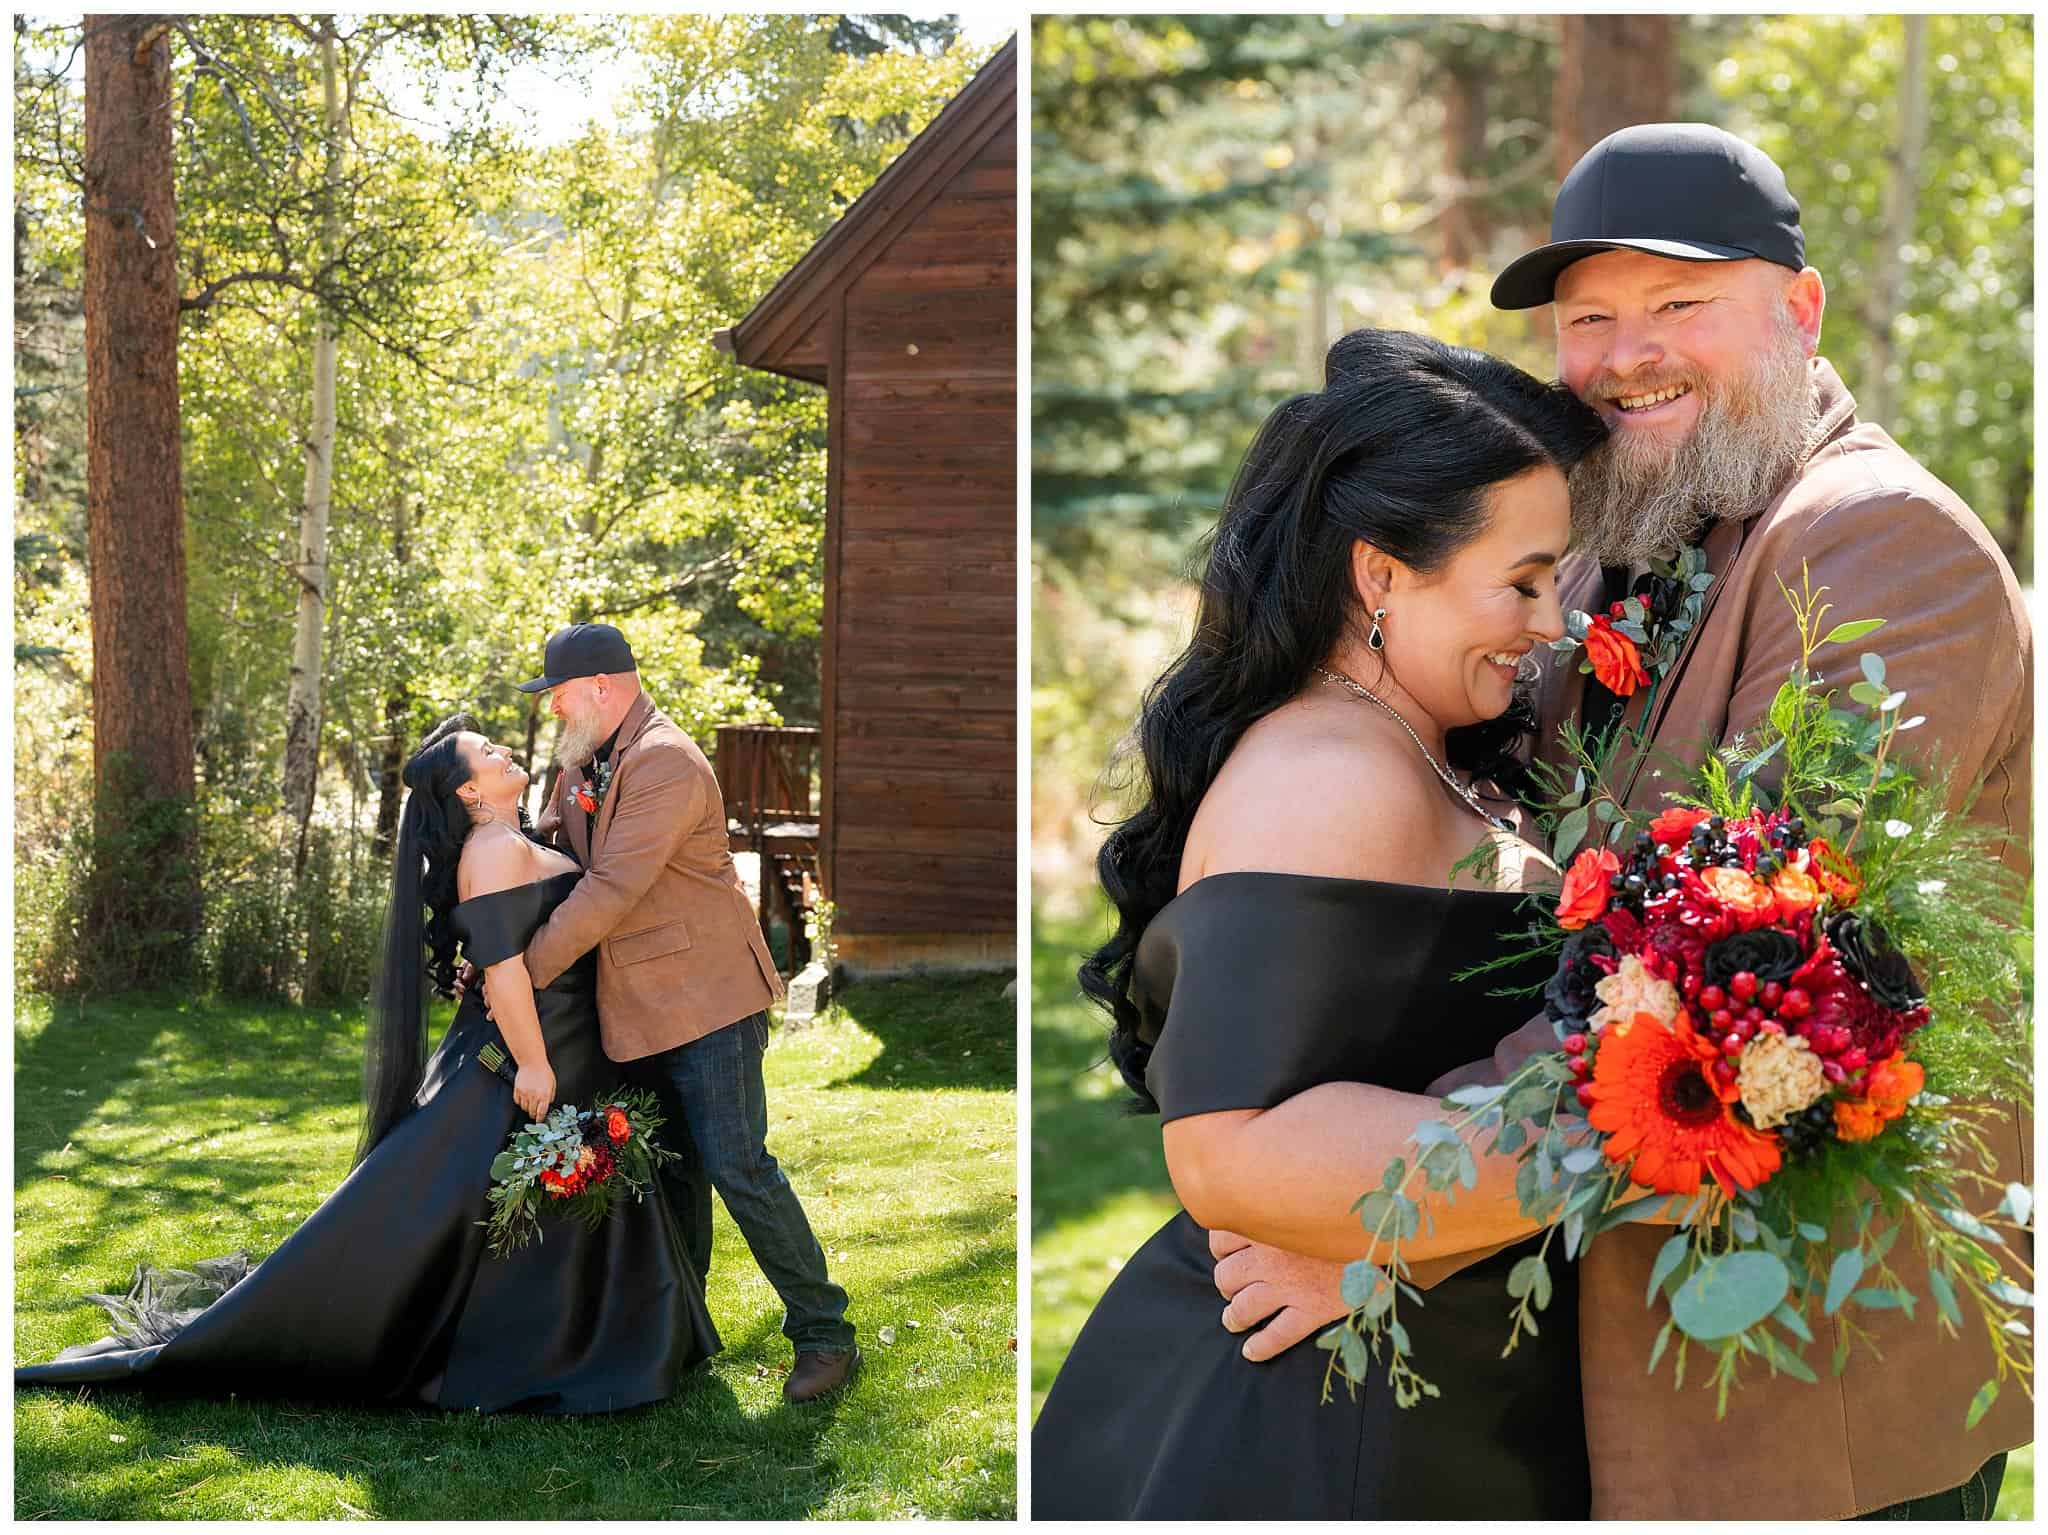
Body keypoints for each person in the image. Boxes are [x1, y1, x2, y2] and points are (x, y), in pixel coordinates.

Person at [1207, 124, 2032, 1521]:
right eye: (1589, 315)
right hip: (1586, 1331)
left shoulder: (1878, 541)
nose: (1626, 352)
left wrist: (1388, 1218)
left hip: (1798, 1382)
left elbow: (1744, 975)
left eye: (1677, 303)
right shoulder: (1614, 535)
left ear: (1800, 308)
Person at [1030, 330, 1609, 1518]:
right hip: (1318, 1423)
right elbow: (1229, 1150)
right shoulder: (1322, 776)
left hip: (1418, 1376)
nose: (1550, 619)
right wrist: (1635, 1143)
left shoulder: (1409, 749)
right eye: (1522, 578)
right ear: (1380, 574)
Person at [16, 714, 719, 1412]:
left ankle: (590, 1343)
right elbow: (502, 971)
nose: (504, 750)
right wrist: (534, 1065)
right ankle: (542, 1349)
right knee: (451, 1212)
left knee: (525, 1205)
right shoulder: (494, 848)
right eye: (488, 752)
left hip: (566, 1043)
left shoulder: (518, 836)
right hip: (524, 1055)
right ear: (470, 793)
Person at [506, 622, 859, 1403]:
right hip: (635, 1004)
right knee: (677, 1174)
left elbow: (609, 889)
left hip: (709, 999)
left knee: (738, 1165)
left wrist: (524, 971)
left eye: (561, 693)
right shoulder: (585, 762)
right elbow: (551, 852)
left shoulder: (664, 760)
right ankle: (684, 1333)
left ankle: (826, 1333)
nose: (556, 707)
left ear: (603, 687)